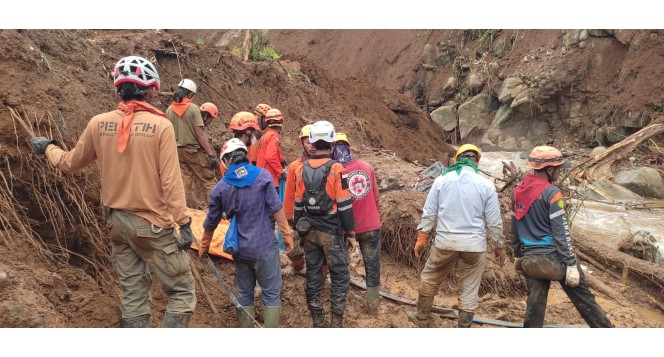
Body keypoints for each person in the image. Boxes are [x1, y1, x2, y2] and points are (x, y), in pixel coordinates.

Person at [29, 55, 196, 328]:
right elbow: (171, 182)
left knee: (133, 294)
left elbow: (69, 163)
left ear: (119, 89)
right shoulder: (160, 125)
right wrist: (184, 223)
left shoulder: (99, 123)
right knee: (182, 294)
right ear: (150, 90)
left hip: (117, 224)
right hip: (152, 225)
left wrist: (48, 146)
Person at [511, 146, 613, 328]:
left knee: (535, 305)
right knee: (585, 300)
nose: (560, 171)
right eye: (558, 168)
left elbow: (515, 227)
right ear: (549, 170)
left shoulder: (517, 191)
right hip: (554, 259)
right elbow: (562, 233)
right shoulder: (553, 194)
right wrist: (571, 264)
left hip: (529, 260)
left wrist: (518, 254)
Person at [406, 144, 505, 328]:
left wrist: (422, 238)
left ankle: (421, 317)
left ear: (457, 159)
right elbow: (494, 222)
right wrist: (499, 247)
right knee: (469, 287)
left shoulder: (442, 181)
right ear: (477, 161)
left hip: (445, 242)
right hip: (475, 246)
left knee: (430, 277)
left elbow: (429, 212)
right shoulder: (486, 185)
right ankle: (464, 327)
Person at [199, 138, 294, 328]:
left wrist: (204, 246)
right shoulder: (263, 176)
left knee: (244, 293)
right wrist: (287, 235)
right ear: (245, 156)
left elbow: (211, 221)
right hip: (265, 246)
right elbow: (276, 208)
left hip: (240, 250)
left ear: (225, 162)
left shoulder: (220, 188)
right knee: (271, 293)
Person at [293, 120, 355, 328]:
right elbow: (345, 205)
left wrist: (298, 229)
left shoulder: (301, 169)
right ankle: (336, 322)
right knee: (340, 276)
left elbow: (298, 202)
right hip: (331, 231)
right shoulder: (338, 169)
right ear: (331, 142)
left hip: (309, 230)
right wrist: (351, 232)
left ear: (312, 141)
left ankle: (318, 320)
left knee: (313, 274)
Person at [331, 133, 382, 315]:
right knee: (372, 266)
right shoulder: (366, 166)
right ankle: (373, 307)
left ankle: (342, 307)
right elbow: (376, 198)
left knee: (341, 265)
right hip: (371, 225)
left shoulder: (335, 171)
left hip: (346, 229)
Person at [166, 78, 218, 208]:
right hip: (193, 151)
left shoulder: (169, 110)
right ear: (190, 94)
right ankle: (215, 213)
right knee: (208, 180)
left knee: (185, 184)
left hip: (178, 152)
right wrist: (210, 154)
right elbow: (199, 134)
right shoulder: (193, 109)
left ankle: (191, 212)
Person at [283, 124, 316, 272]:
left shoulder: (328, 165)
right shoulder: (295, 166)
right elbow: (289, 191)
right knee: (294, 245)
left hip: (318, 212)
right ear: (302, 143)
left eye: (314, 142)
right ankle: (298, 266)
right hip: (300, 212)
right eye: (308, 142)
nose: (312, 146)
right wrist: (288, 215)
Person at [219, 111, 260, 177]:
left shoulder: (232, 145)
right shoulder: (238, 150)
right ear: (248, 132)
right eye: (253, 132)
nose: (254, 136)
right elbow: (240, 175)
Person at [256, 108, 287, 190]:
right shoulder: (274, 136)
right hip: (269, 179)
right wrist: (281, 171)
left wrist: (282, 159)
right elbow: (270, 157)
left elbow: (265, 153)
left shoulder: (264, 136)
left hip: (260, 177)